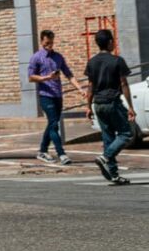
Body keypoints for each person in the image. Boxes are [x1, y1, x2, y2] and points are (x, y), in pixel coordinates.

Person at [84, 29, 135, 184]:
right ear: (110, 42)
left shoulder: (92, 62)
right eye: (113, 40)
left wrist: (88, 106)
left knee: (108, 138)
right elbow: (123, 84)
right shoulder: (117, 60)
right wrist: (131, 107)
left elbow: (90, 87)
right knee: (126, 133)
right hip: (112, 102)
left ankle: (113, 175)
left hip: (98, 104)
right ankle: (105, 157)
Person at [27, 29, 85, 164]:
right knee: (54, 125)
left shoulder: (58, 57)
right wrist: (48, 77)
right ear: (41, 41)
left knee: (52, 124)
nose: (50, 45)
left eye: (51, 43)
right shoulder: (36, 57)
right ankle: (62, 154)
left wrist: (80, 89)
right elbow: (30, 77)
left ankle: (42, 151)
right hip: (45, 96)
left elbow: (69, 74)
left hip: (58, 95)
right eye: (47, 43)